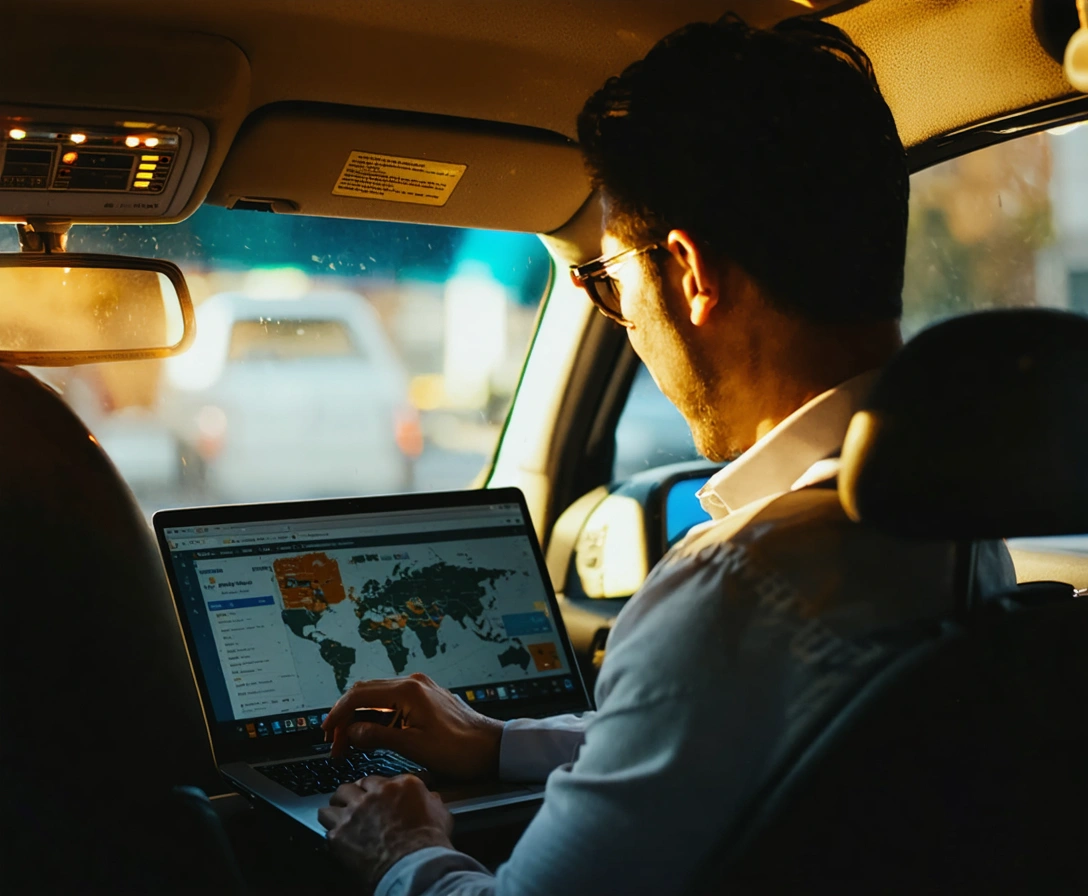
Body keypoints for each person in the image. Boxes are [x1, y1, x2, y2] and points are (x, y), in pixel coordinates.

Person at [317, 14, 1016, 896]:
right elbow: (744, 737)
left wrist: (400, 846)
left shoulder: (739, 590)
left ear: (687, 273)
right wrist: (498, 742)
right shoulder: (964, 536)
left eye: (610, 279)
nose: (626, 319)